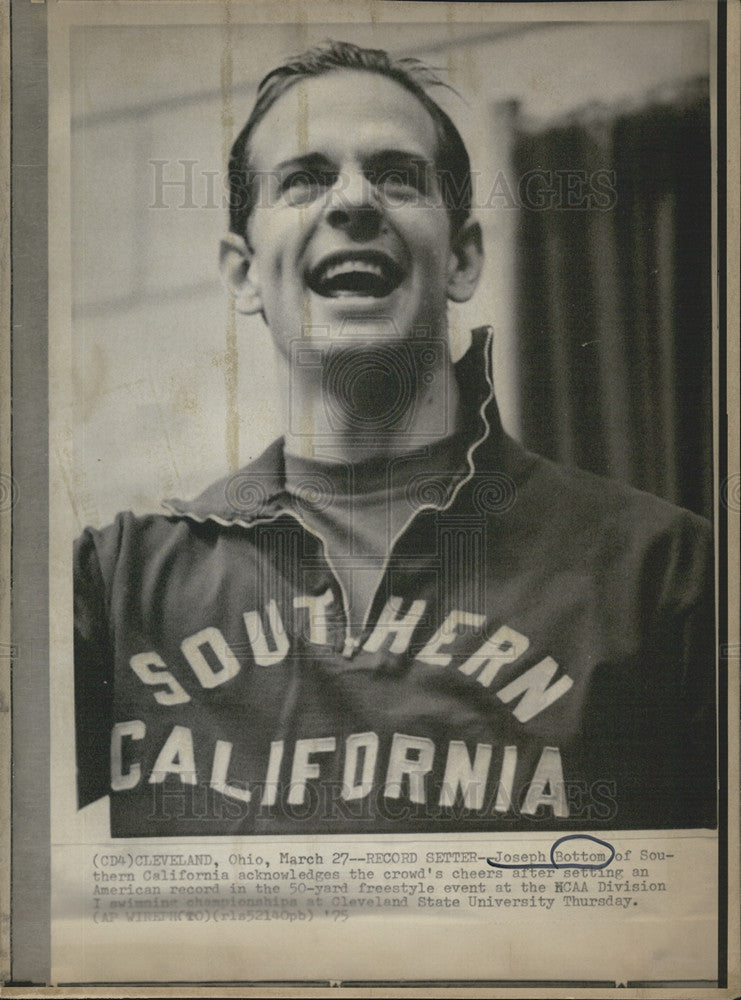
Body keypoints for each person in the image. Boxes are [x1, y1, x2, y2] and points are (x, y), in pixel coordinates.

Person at [74, 40, 716, 837]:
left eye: (396, 175)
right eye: (305, 178)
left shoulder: (664, 574)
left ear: (461, 259)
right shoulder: (118, 588)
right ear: (243, 274)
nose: (353, 203)